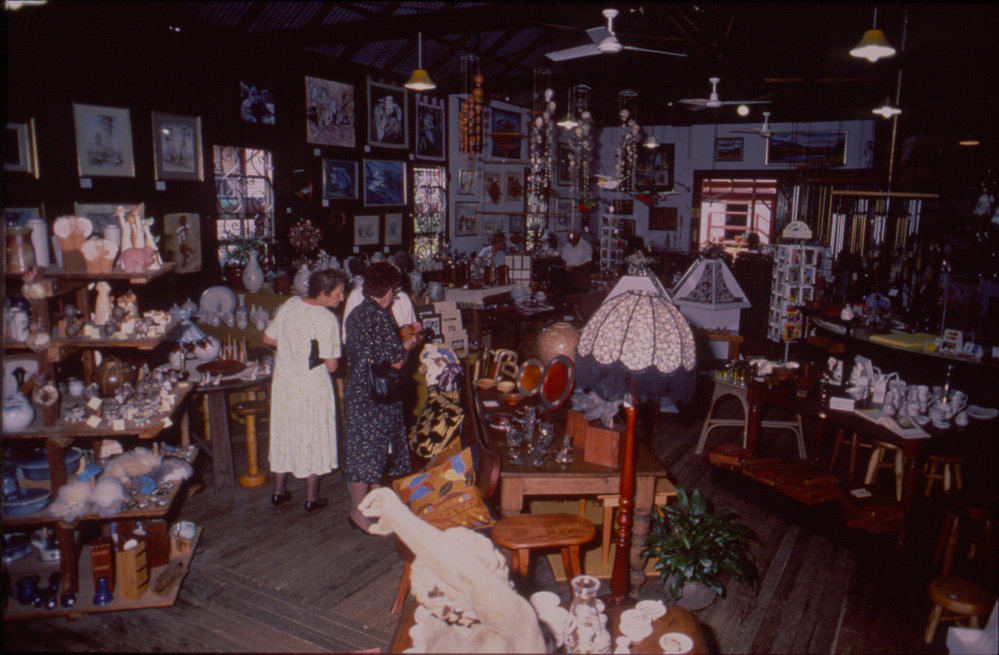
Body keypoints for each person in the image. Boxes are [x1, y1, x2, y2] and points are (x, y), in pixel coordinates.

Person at [263, 268, 348, 513]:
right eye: (338, 294)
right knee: (314, 435)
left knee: (284, 431)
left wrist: (293, 346)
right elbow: (332, 366)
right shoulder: (327, 319)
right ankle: (312, 498)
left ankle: (279, 492)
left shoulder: (290, 304)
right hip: (312, 386)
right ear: (322, 293)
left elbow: (268, 338)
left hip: (286, 383)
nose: (341, 299)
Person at [343, 262, 420, 532]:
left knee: (365, 452)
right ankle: (358, 513)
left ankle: (372, 508)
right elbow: (397, 363)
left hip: (358, 390)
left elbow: (355, 358)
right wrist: (409, 345)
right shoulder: (382, 317)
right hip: (378, 394)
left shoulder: (355, 315)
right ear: (387, 291)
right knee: (370, 455)